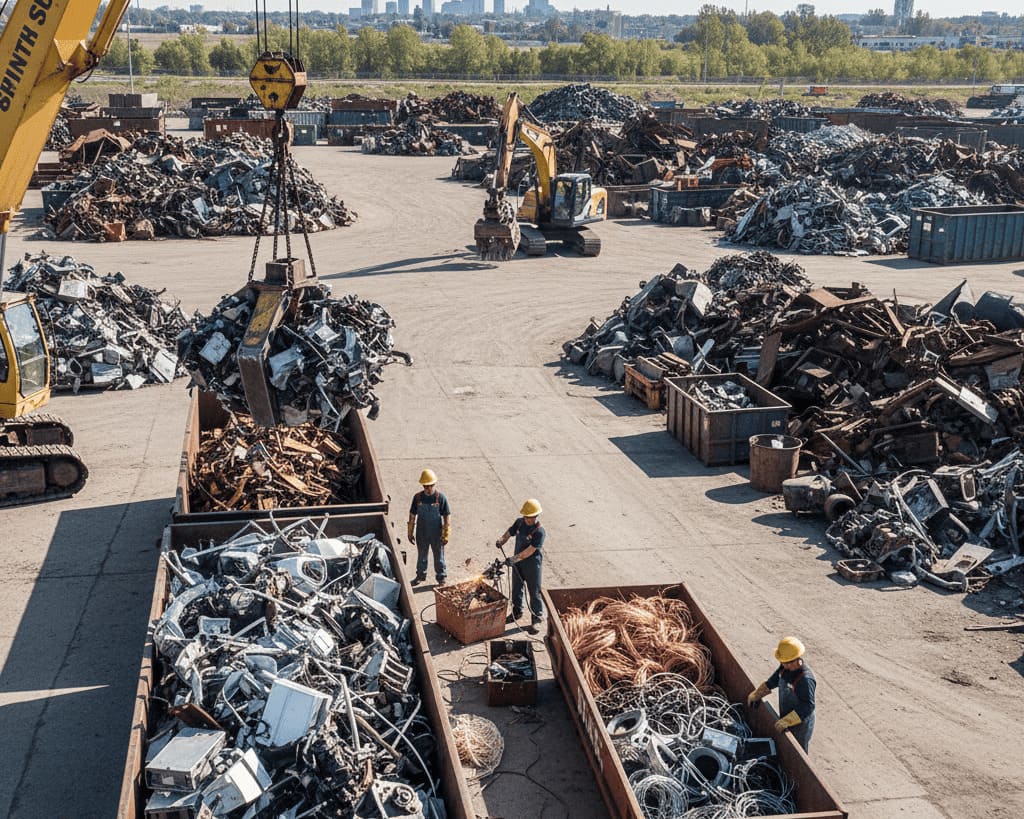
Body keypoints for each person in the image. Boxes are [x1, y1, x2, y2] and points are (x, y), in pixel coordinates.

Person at [747, 636, 816, 752]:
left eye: (784, 663)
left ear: (794, 660)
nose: (782, 665)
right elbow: (775, 679)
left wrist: (788, 721)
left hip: (800, 723)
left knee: (798, 750)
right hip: (787, 714)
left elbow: (808, 706)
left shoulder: (805, 680)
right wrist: (757, 693)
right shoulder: (786, 668)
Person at [495, 498, 545, 635]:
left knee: (534, 591)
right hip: (518, 563)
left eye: (531, 517)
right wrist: (501, 540)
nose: (528, 520)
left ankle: (537, 617)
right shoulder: (519, 523)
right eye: (526, 517)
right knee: (516, 588)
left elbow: (530, 551)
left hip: (532, 564)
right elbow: (509, 532)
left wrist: (514, 559)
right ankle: (517, 612)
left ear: (536, 516)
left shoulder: (539, 531)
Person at [407, 469, 450, 586]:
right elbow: (412, 515)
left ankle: (441, 578)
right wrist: (410, 532)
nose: (427, 488)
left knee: (439, 556)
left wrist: (446, 534)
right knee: (421, 555)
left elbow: (446, 516)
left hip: (437, 533)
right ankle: (420, 576)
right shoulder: (417, 498)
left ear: (434, 484)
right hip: (421, 532)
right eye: (425, 486)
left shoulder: (440, 498)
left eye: (430, 486)